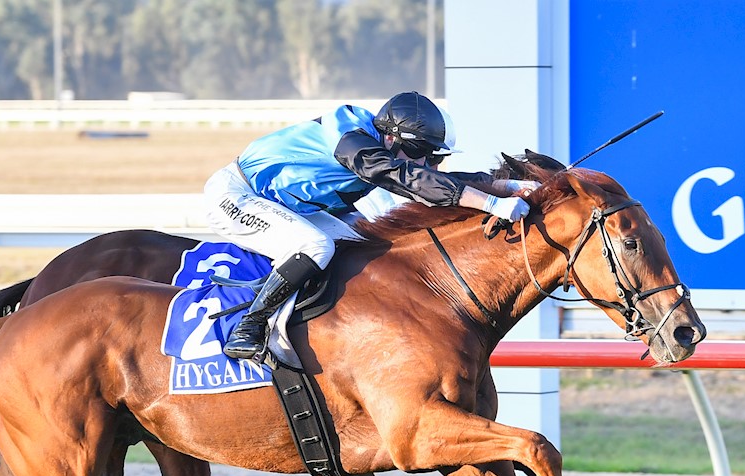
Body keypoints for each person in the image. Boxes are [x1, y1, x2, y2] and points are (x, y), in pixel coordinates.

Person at [203, 91, 536, 363]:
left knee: (364, 248)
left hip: (284, 204)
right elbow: (407, 179)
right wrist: (491, 204)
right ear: (392, 138)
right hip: (237, 194)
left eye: (435, 157)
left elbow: (430, 179)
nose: (428, 163)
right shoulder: (352, 141)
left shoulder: (384, 145)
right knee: (316, 247)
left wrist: (506, 188)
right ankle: (250, 326)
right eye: (423, 153)